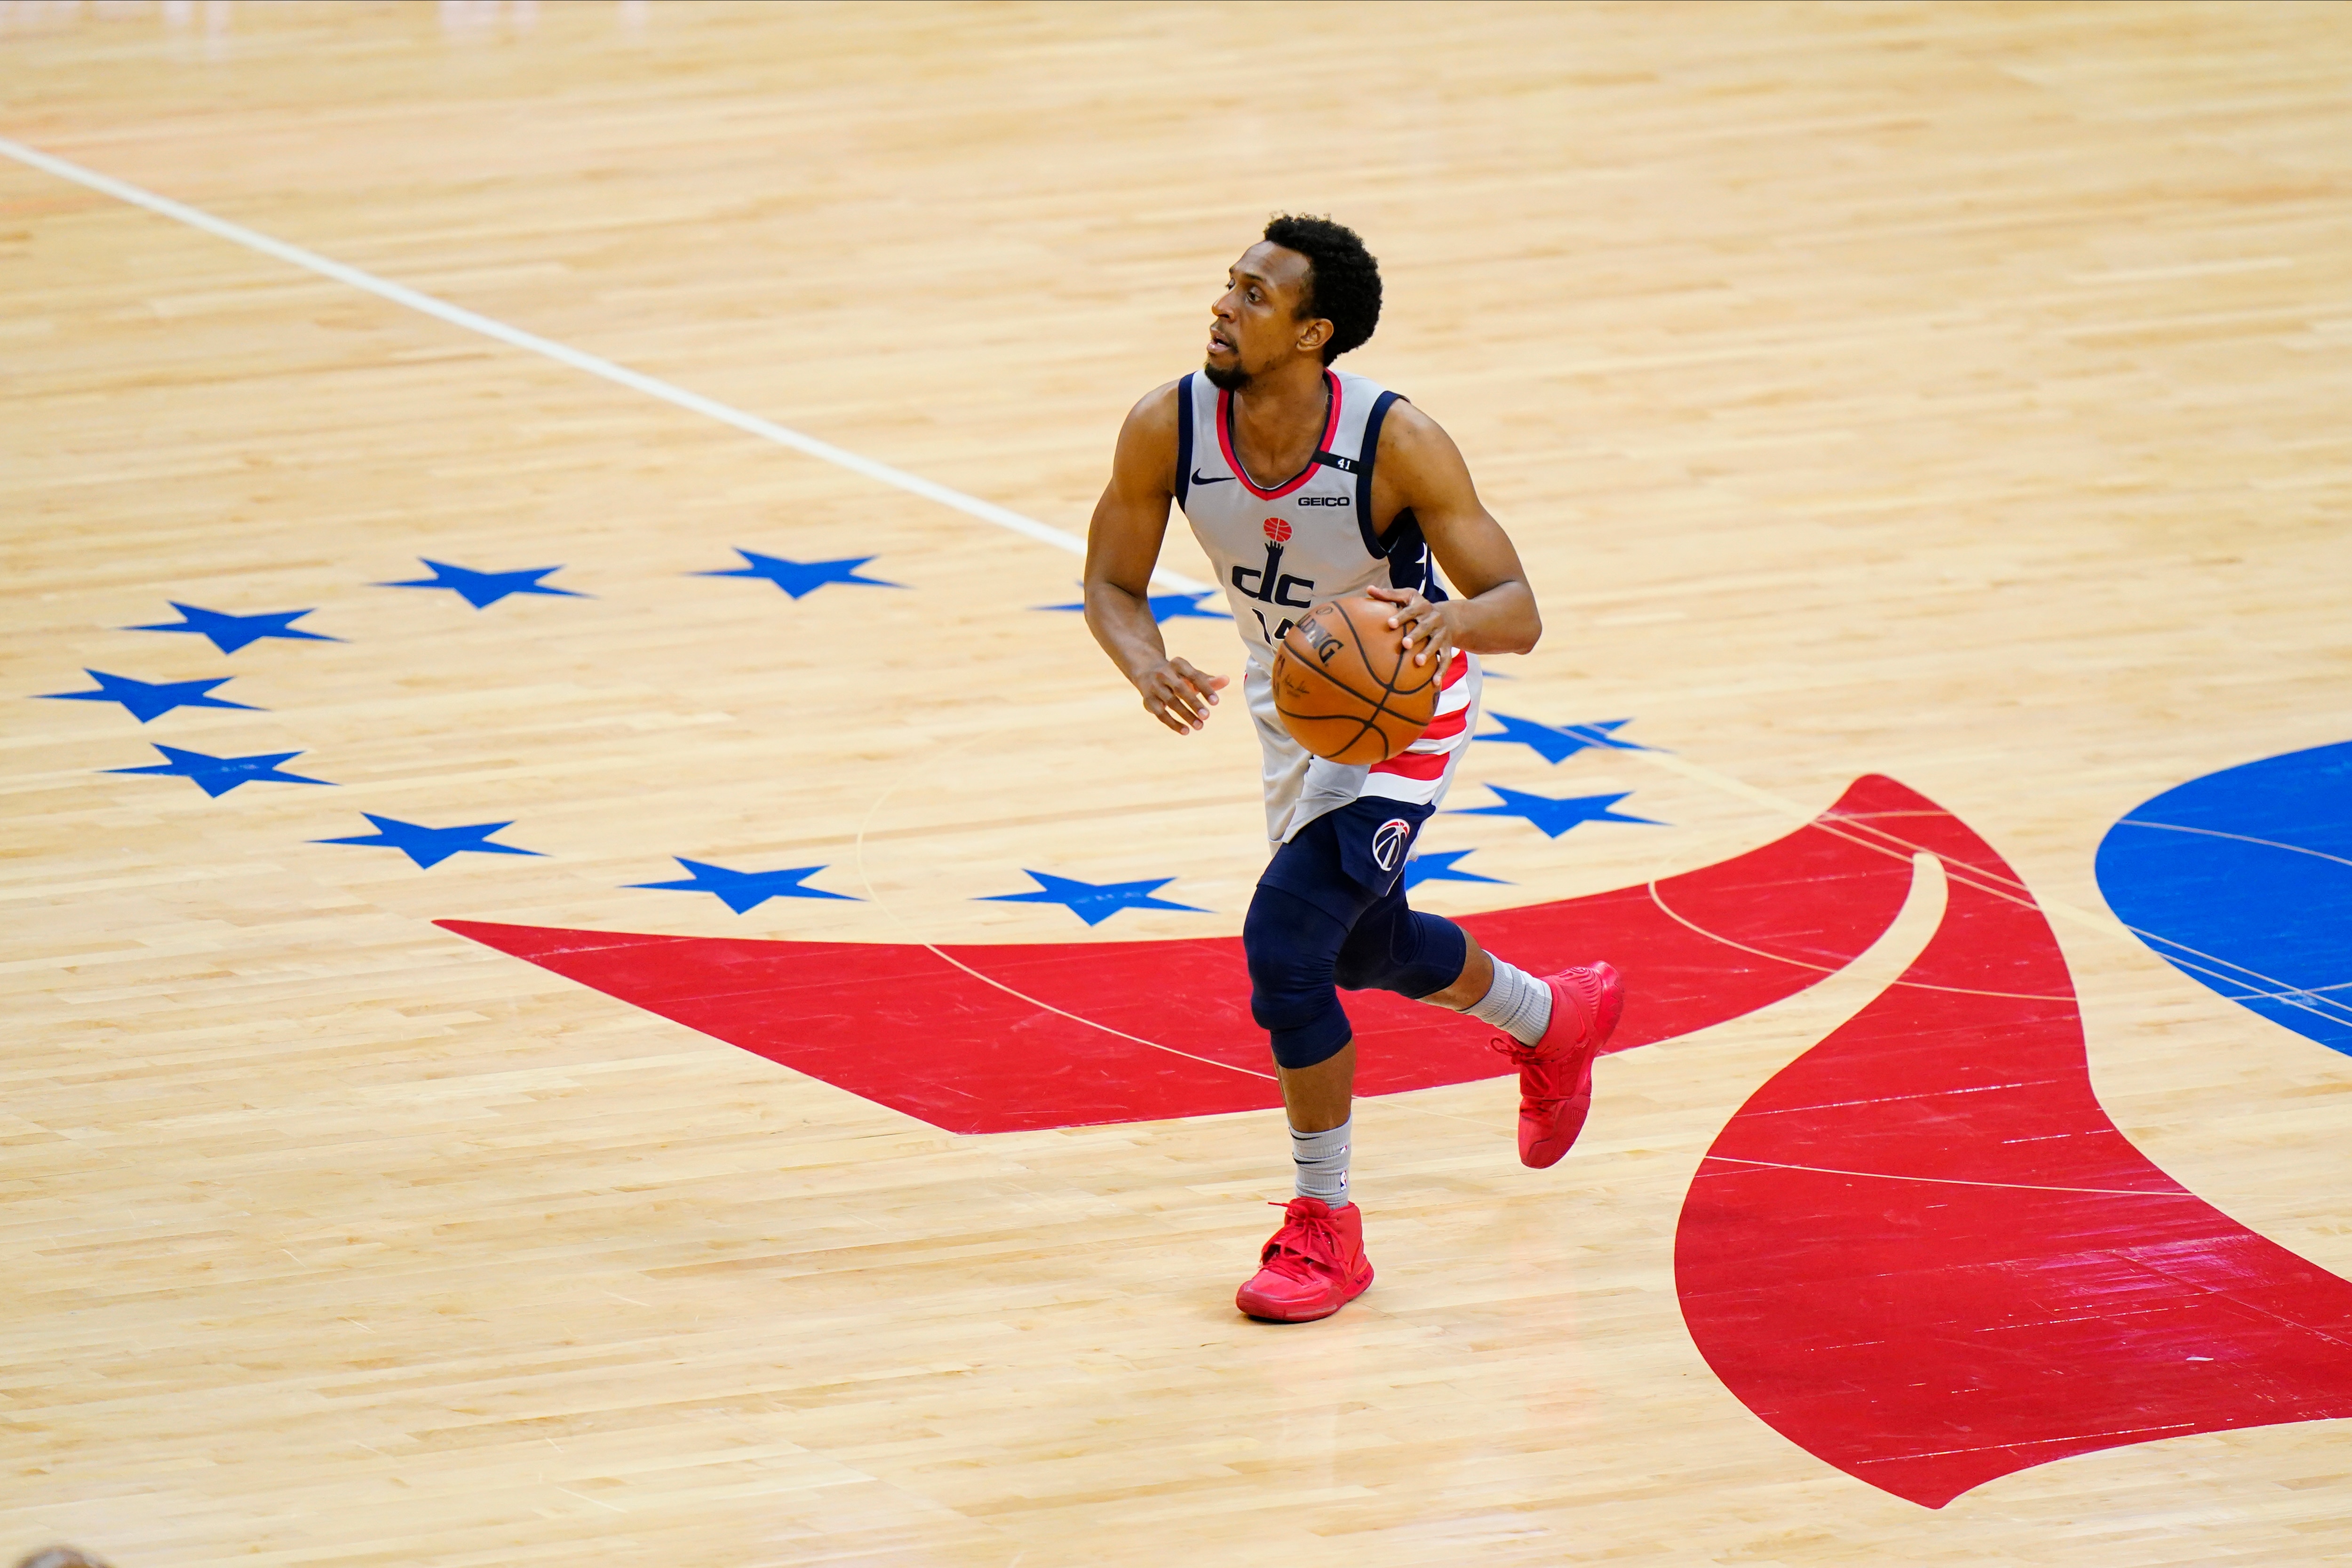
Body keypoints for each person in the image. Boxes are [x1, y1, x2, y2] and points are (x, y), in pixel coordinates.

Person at [1083, 214, 1623, 1323]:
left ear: (1312, 334)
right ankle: (1550, 1017)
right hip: (1295, 709)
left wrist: (1447, 619)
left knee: (1288, 945)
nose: (1222, 308)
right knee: (1365, 938)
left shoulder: (1396, 440)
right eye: (1227, 286)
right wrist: (1144, 662)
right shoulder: (1166, 425)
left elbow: (1518, 613)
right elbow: (1111, 581)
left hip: (1403, 713)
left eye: (1252, 297)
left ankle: (1325, 1227)